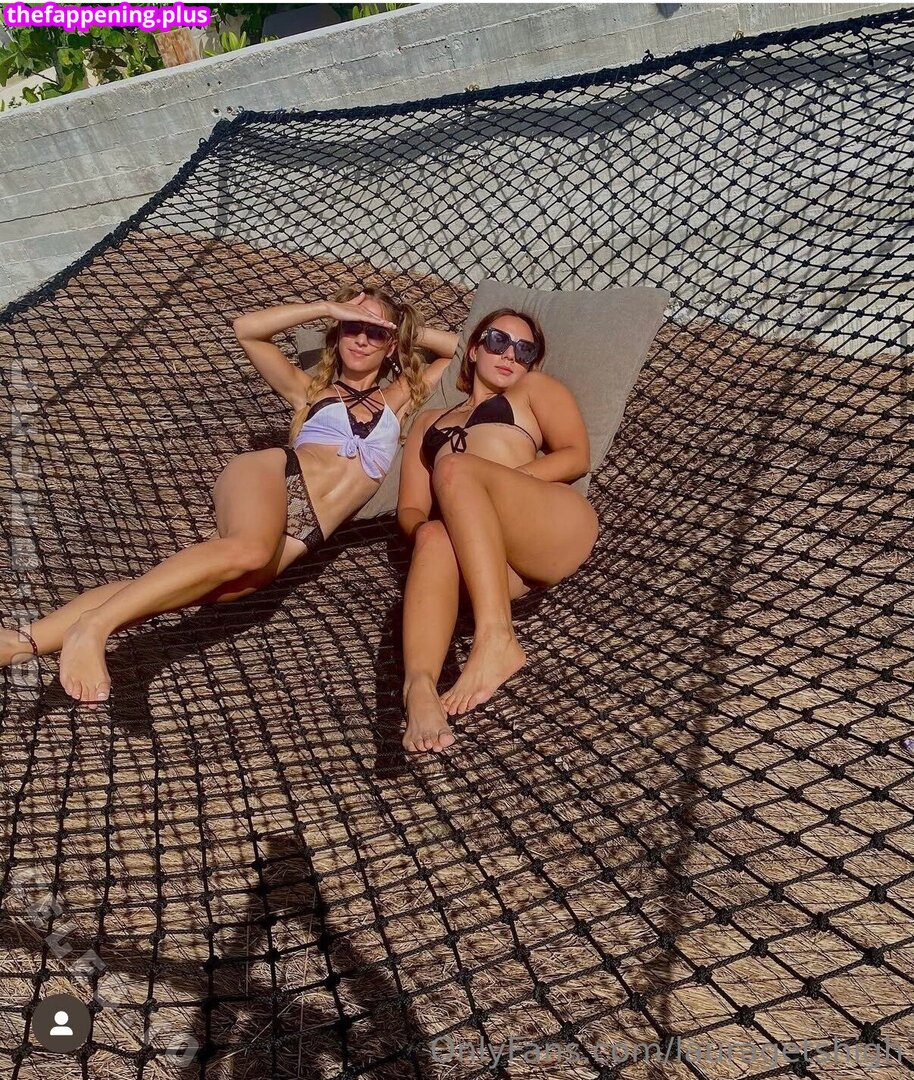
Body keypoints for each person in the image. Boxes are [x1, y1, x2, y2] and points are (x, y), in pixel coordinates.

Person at [1, 285, 457, 705]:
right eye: (352, 326)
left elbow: (459, 349)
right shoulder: (310, 391)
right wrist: (325, 308)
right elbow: (247, 330)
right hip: (275, 475)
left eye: (374, 332)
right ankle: (93, 628)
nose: (360, 338)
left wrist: (398, 328)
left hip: (308, 532)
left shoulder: (400, 397)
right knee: (248, 550)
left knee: (186, 589)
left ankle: (23, 642)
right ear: (337, 333)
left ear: (391, 345)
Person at [397, 307, 599, 754]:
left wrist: (486, 485)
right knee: (431, 534)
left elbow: (575, 455)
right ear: (473, 350)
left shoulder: (534, 389)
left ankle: (496, 637)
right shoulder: (429, 422)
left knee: (455, 469)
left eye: (525, 350)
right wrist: (433, 537)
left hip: (549, 522)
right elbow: (410, 507)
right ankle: (420, 689)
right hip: (488, 557)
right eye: (497, 341)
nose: (510, 354)